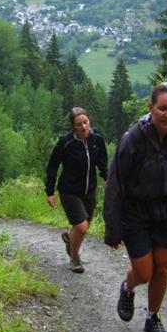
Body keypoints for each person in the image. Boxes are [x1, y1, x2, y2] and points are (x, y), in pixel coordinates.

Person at [103, 82, 167, 332]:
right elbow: (114, 185)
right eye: (163, 108)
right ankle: (128, 287)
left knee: (161, 269)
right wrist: (113, 230)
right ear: (151, 107)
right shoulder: (133, 138)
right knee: (144, 272)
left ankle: (153, 317)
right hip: (135, 213)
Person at [45, 107, 108, 273]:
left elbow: (102, 158)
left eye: (85, 122)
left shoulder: (97, 137)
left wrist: (106, 176)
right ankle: (74, 258)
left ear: (89, 120)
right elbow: (52, 166)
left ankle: (69, 237)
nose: (84, 127)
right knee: (81, 228)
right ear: (73, 127)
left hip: (89, 189)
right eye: (79, 124)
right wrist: (49, 192)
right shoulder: (65, 142)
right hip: (69, 190)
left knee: (86, 224)